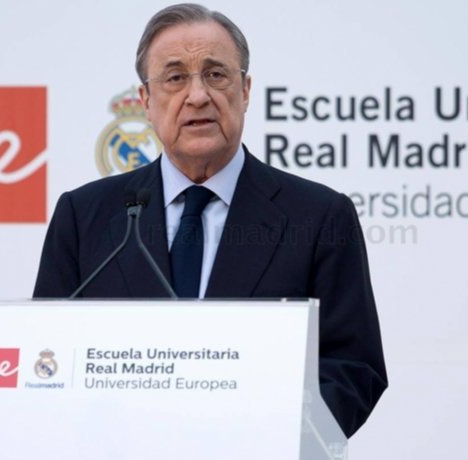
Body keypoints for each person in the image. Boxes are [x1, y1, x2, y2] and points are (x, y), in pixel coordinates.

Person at [33, 3, 387, 437]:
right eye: (176, 77)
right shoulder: (85, 216)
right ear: (146, 100)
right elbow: (46, 358)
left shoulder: (318, 215)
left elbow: (352, 367)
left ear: (245, 90)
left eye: (216, 74)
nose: (197, 95)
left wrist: (267, 438)